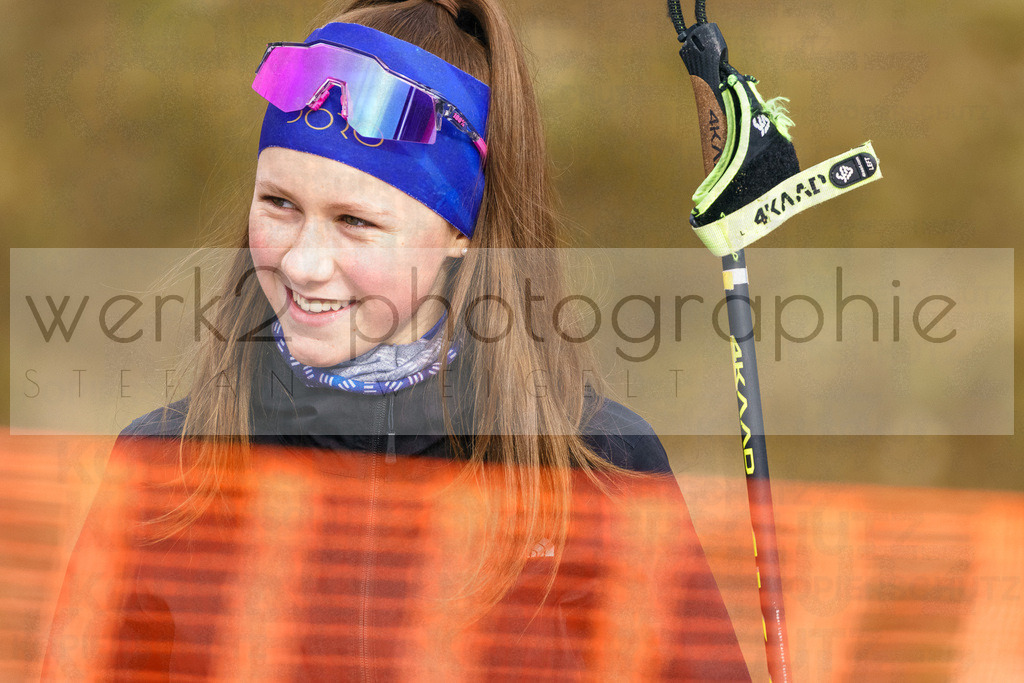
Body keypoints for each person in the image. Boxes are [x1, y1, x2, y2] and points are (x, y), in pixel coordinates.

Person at [44, 0, 751, 679]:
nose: (301, 262)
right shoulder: (162, 467)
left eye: (355, 221)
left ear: (457, 232)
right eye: (280, 204)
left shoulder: (601, 466)